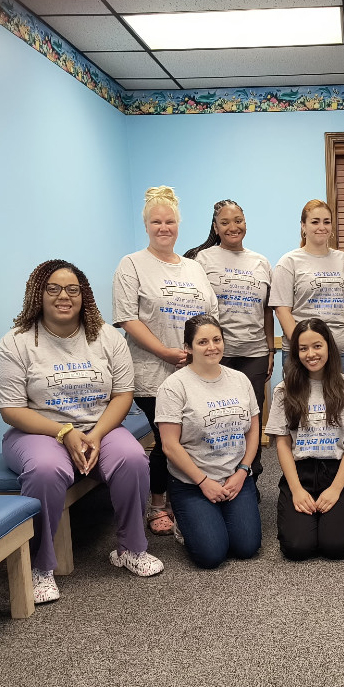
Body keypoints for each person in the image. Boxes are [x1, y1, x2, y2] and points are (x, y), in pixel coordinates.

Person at [0, 259, 164, 604]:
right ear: (37, 294)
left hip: (96, 426)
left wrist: (97, 434)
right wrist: (64, 433)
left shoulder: (106, 337)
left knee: (132, 457)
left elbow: (122, 395)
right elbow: (11, 410)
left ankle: (131, 549)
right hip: (37, 432)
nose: (63, 296)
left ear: (84, 295)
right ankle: (41, 567)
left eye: (72, 289)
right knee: (45, 470)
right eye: (52, 288)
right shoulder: (16, 343)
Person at [113, 186, 219, 537]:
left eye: (169, 221)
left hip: (195, 371)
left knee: (192, 437)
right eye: (156, 221)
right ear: (146, 225)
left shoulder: (193, 267)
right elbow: (128, 318)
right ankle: (157, 504)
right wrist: (166, 352)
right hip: (153, 373)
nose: (163, 227)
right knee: (166, 439)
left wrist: (201, 354)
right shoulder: (132, 265)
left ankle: (183, 497)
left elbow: (210, 315)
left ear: (178, 225)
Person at [156, 315, 261, 570]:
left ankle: (216, 515)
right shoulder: (174, 386)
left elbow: (254, 430)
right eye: (202, 342)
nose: (212, 347)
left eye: (217, 339)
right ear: (188, 348)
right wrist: (203, 482)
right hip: (192, 482)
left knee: (247, 548)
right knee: (211, 555)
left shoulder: (239, 380)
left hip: (236, 477)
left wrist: (243, 471)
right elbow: (169, 446)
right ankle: (185, 521)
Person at [265, 319, 344, 560]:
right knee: (296, 548)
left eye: (317, 346)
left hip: (338, 472)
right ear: (295, 352)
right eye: (303, 348)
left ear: (329, 347)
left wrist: (335, 490)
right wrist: (296, 489)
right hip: (300, 471)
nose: (310, 354)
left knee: (336, 547)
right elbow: (282, 443)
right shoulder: (284, 390)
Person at [188, 199, 273, 477]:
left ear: (245, 223)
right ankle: (213, 473)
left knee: (251, 417)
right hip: (216, 354)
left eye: (238, 220)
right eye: (225, 222)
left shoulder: (260, 262)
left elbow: (267, 311)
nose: (232, 227)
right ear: (215, 226)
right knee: (217, 418)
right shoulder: (203, 259)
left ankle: (251, 474)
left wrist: (271, 350)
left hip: (254, 353)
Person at [270, 199, 344, 375]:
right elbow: (282, 310)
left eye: (326, 222)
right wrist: (303, 347)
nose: (322, 227)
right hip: (302, 354)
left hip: (343, 353)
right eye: (315, 221)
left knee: (340, 402)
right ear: (303, 226)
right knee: (301, 403)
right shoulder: (289, 262)